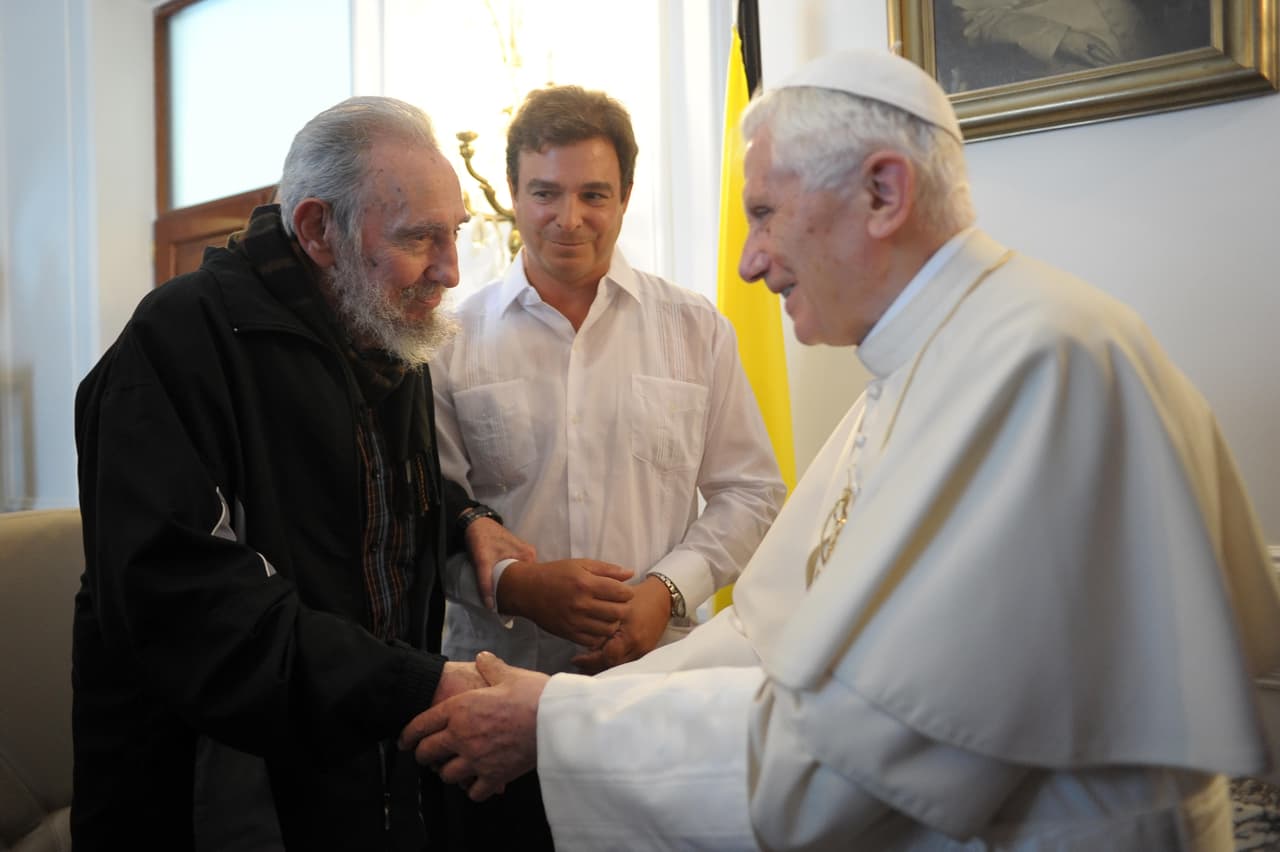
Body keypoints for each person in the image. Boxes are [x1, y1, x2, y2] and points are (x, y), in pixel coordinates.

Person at [400, 50, 1280, 850]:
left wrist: (558, 722)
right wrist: (571, 702)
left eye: (766, 212)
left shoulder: (1036, 369)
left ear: (884, 194)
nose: (748, 261)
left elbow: (858, 749)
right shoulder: (924, 364)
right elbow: (772, 630)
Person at [72, 96, 533, 851]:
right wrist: (415, 685)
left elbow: (356, 492)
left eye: (454, 236)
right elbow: (191, 603)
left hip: (361, 766)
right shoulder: (176, 339)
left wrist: (462, 519)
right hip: (219, 796)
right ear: (319, 229)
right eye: (421, 239)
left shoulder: (383, 331)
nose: (450, 271)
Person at [428, 85, 786, 848]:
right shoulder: (447, 342)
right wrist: (513, 584)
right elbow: (425, 515)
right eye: (545, 193)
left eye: (594, 193)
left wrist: (667, 588)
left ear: (626, 195)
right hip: (493, 697)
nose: (569, 218)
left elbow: (752, 492)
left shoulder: (696, 330)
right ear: (513, 196)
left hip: (651, 703)